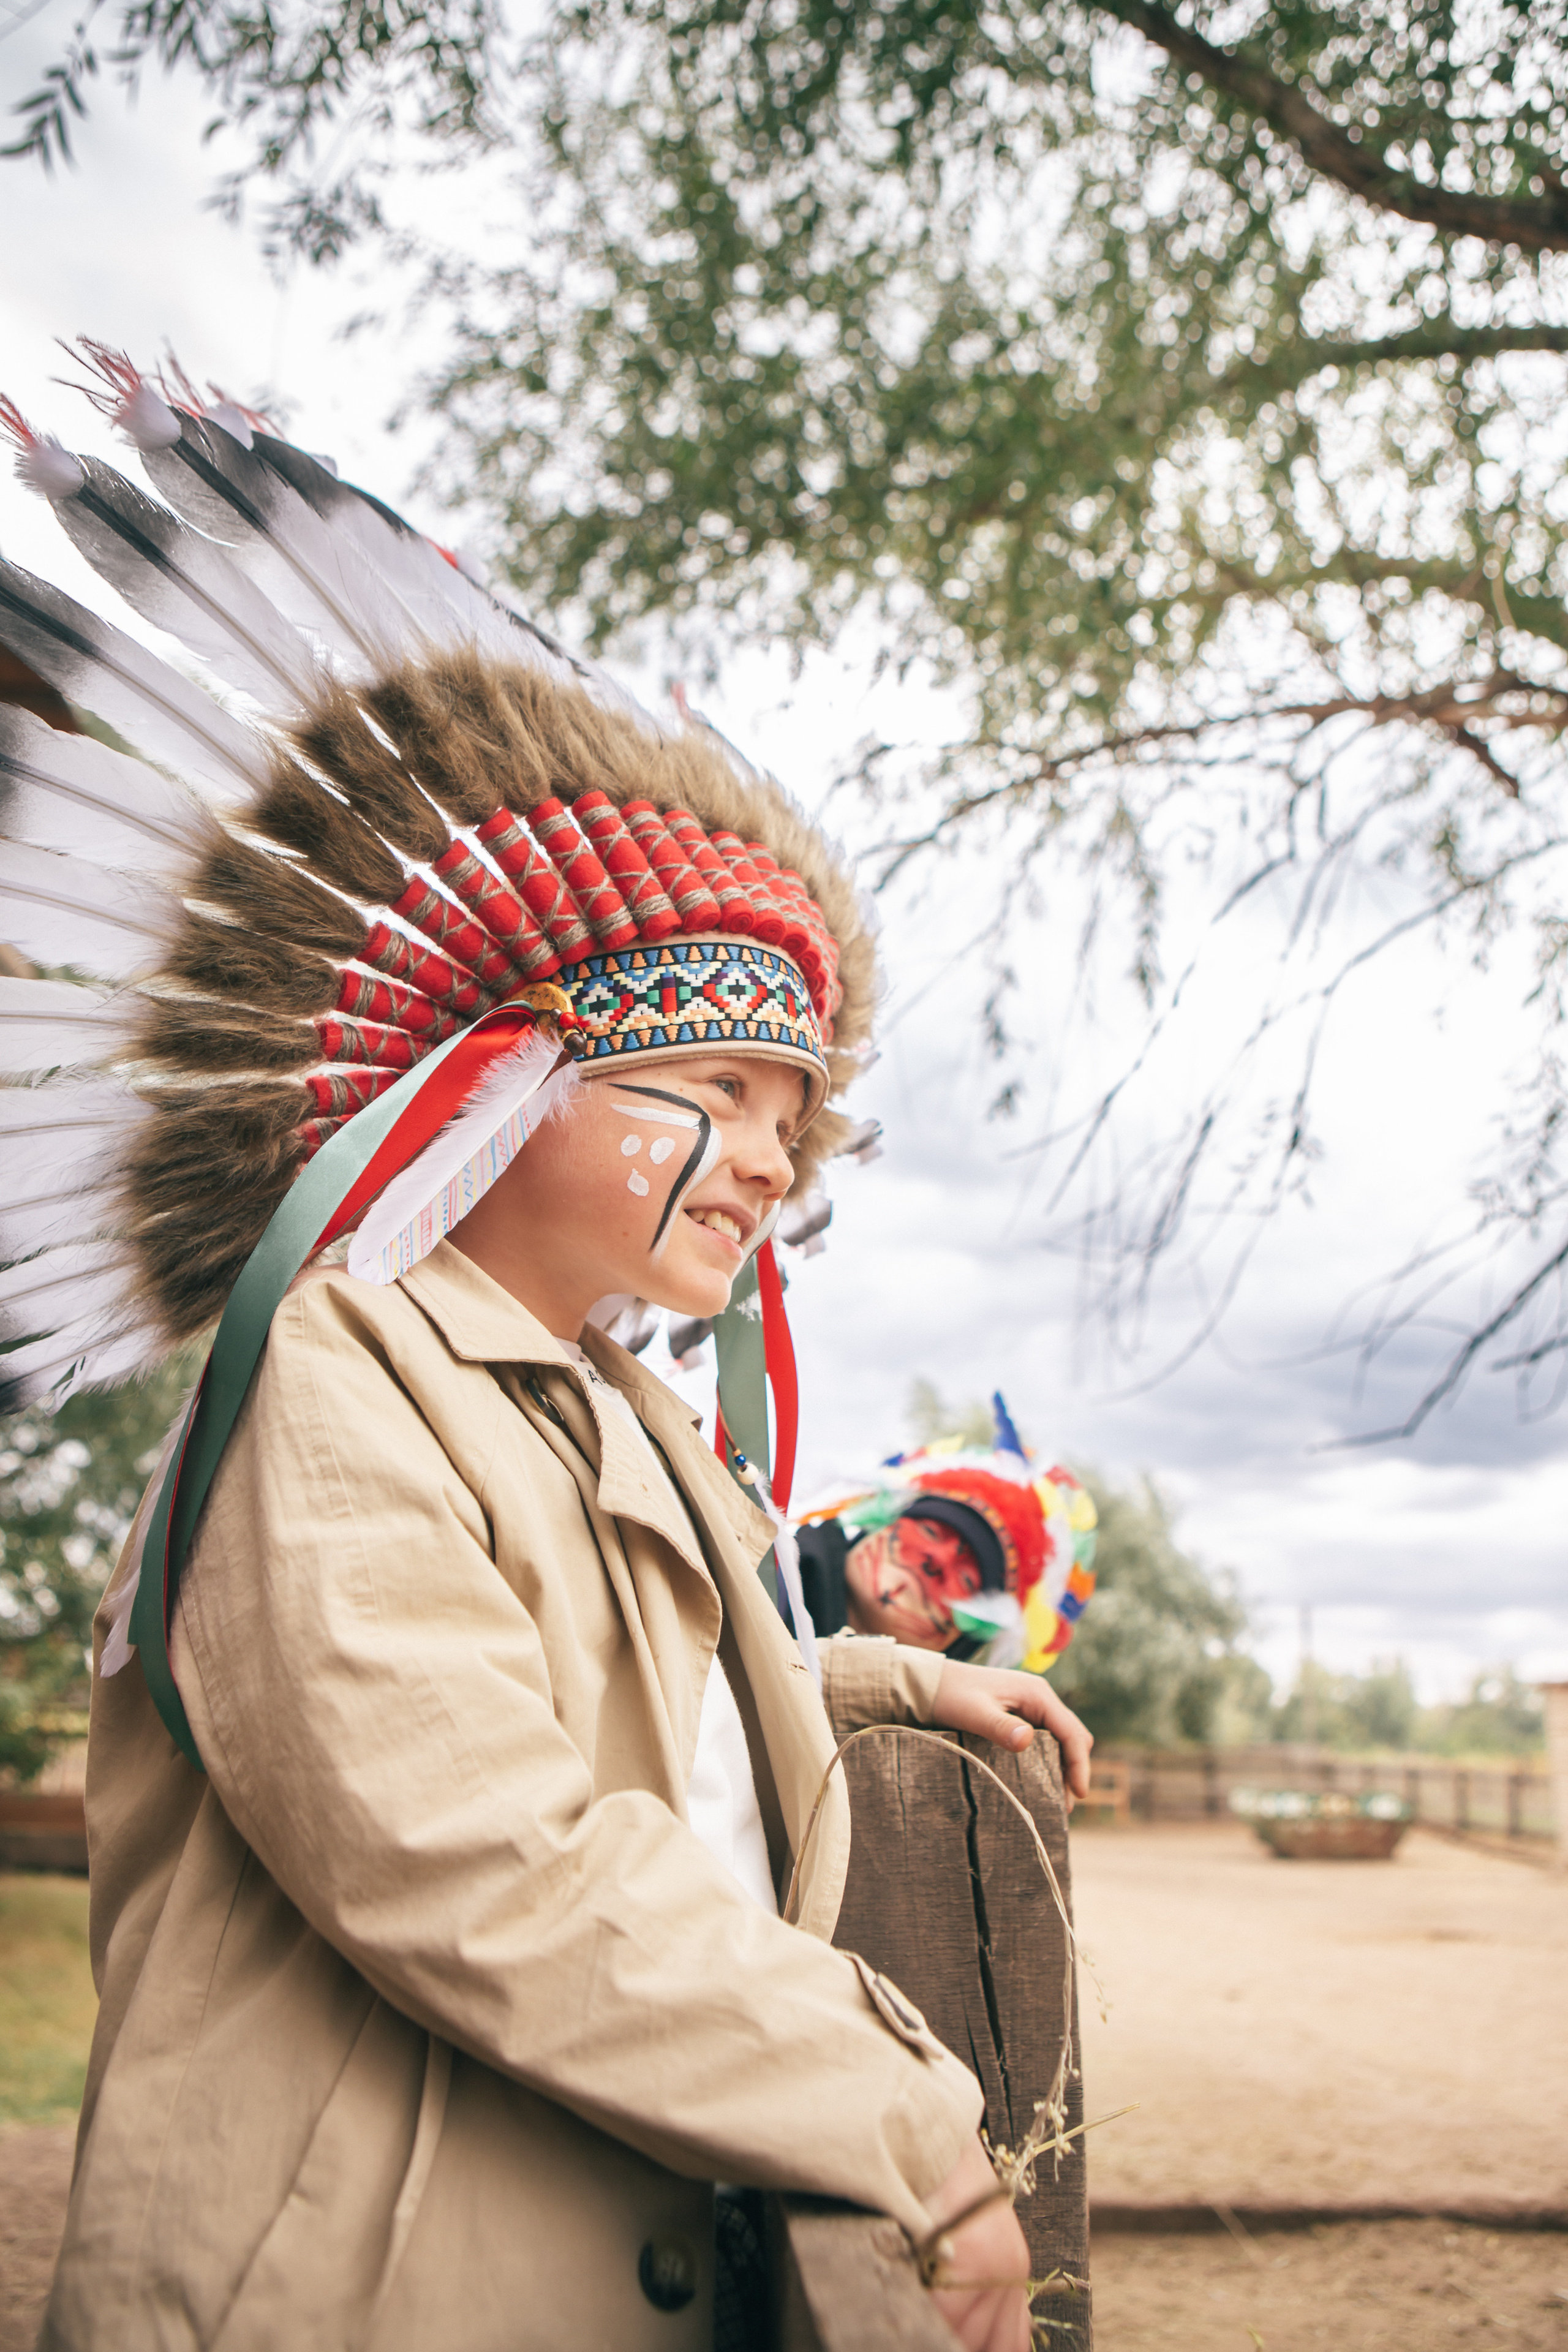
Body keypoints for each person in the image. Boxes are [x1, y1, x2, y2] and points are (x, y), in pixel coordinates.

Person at [0, 355, 1091, 2352]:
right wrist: (905, 2119)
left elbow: (643, 1679)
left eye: (795, 1116)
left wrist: (883, 1677)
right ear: (507, 1079)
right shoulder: (334, 1376)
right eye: (726, 1091)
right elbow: (479, 1845)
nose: (773, 1160)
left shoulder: (623, 1415)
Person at [794, 1398, 1099, 1668]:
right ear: (881, 1522)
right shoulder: (769, 1570)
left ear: (964, 1643)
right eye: (931, 1531)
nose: (938, 1558)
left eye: (968, 1580)